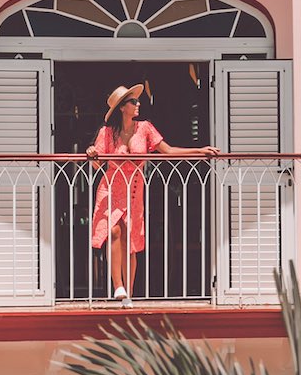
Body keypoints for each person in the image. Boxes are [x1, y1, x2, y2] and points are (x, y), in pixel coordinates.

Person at [87, 84, 219, 307]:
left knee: (130, 239)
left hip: (134, 188)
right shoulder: (107, 133)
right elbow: (97, 164)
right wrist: (91, 153)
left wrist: (200, 150)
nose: (138, 104)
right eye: (133, 102)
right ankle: (118, 285)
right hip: (111, 187)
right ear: (122, 108)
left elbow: (167, 150)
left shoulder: (145, 128)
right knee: (114, 231)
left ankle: (128, 294)